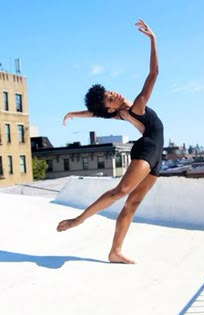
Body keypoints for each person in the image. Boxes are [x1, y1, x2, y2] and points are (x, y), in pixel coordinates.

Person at [57, 19, 164, 264]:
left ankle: (115, 252)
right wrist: (153, 40)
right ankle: (79, 219)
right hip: (147, 146)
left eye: (110, 93)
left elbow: (96, 113)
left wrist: (74, 113)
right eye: (109, 98)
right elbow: (154, 73)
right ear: (110, 108)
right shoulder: (136, 106)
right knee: (122, 190)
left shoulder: (122, 112)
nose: (113, 94)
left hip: (158, 154)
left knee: (133, 203)